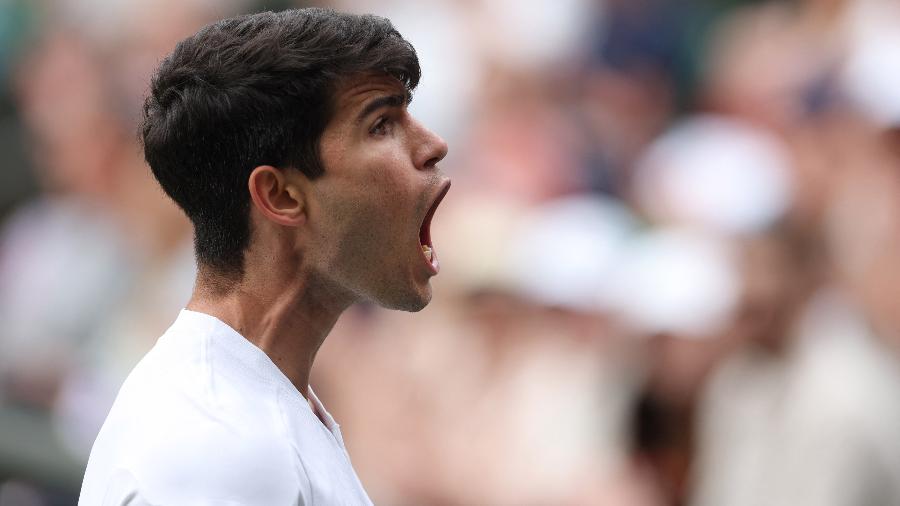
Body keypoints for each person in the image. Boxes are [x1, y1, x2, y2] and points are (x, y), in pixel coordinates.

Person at [78, 7, 450, 505]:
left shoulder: (248, 408)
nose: (433, 144)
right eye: (382, 124)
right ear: (281, 197)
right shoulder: (218, 445)